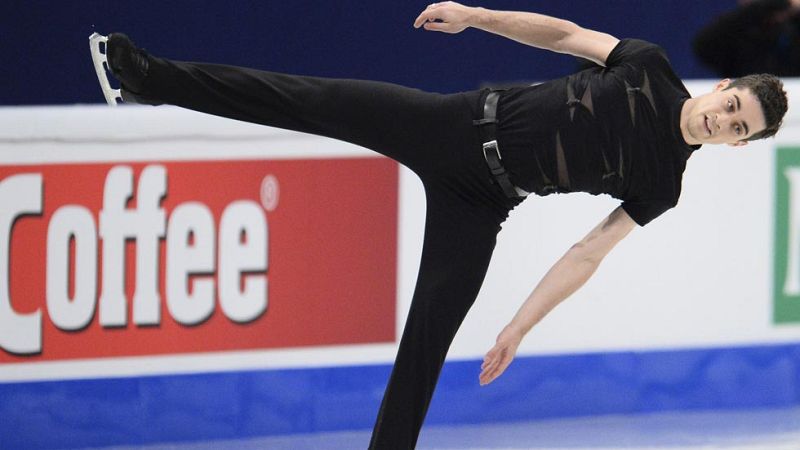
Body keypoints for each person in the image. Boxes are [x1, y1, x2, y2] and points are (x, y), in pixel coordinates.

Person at [93, 2, 788, 448]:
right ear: (722, 89)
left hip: (483, 202)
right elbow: (564, 34)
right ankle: (144, 77)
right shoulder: (650, 67)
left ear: (737, 146)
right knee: (307, 100)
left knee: (426, 344)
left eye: (737, 130)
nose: (722, 121)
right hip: (453, 123)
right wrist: (477, 15)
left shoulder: (662, 184)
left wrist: (519, 326)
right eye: (731, 107)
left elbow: (587, 253)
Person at [694, 0, 800, 77]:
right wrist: (758, 8)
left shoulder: (791, 30)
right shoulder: (734, 33)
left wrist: (792, 9)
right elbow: (703, 46)